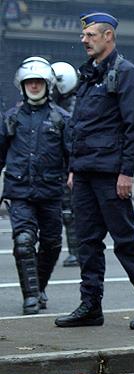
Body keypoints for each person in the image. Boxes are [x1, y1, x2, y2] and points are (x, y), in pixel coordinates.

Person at [55, 11, 134, 330]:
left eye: (90, 35)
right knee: (87, 241)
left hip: (111, 174)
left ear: (108, 37)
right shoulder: (89, 74)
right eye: (83, 35)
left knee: (126, 241)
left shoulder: (126, 72)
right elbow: (81, 125)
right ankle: (91, 305)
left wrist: (127, 173)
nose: (84, 40)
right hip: (86, 172)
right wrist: (74, 167)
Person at [0, 57, 71, 315]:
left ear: (48, 84)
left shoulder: (62, 118)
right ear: (22, 84)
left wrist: (74, 176)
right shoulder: (10, 118)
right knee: (24, 241)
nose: (33, 86)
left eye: (38, 81)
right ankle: (30, 296)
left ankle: (39, 287)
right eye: (29, 82)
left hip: (51, 193)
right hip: (19, 193)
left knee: (52, 243)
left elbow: (72, 156)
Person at [51, 61, 80, 268]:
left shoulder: (74, 105)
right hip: (57, 162)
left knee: (70, 210)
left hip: (70, 163)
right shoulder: (57, 103)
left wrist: (73, 168)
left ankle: (77, 252)